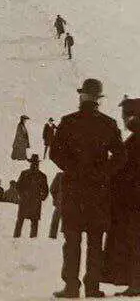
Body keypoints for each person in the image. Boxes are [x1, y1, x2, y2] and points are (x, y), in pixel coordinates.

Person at [50, 78, 126, 298]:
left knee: (72, 241)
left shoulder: (68, 122)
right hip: (98, 191)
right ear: (98, 100)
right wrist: (103, 172)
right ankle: (93, 287)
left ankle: (71, 287)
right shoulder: (108, 124)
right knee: (95, 241)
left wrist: (72, 169)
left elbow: (55, 153)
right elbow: (121, 156)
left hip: (74, 189)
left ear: (82, 96)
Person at [102, 97, 140, 296]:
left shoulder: (133, 143)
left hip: (132, 203)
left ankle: (135, 284)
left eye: (126, 116)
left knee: (133, 242)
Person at [13, 154, 48, 238]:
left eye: (36, 163)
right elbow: (18, 186)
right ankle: (16, 237)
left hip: (34, 201)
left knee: (33, 221)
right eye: (33, 163)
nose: (35, 165)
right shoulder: (25, 173)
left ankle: (32, 238)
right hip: (26, 200)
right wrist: (22, 195)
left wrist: (41, 197)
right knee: (21, 220)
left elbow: (45, 190)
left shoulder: (42, 176)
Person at [49, 171, 64, 239]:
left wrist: (55, 199)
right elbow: (52, 189)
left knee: (56, 218)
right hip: (69, 202)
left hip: (60, 201)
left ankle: (52, 235)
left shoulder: (59, 175)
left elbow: (52, 189)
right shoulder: (76, 175)